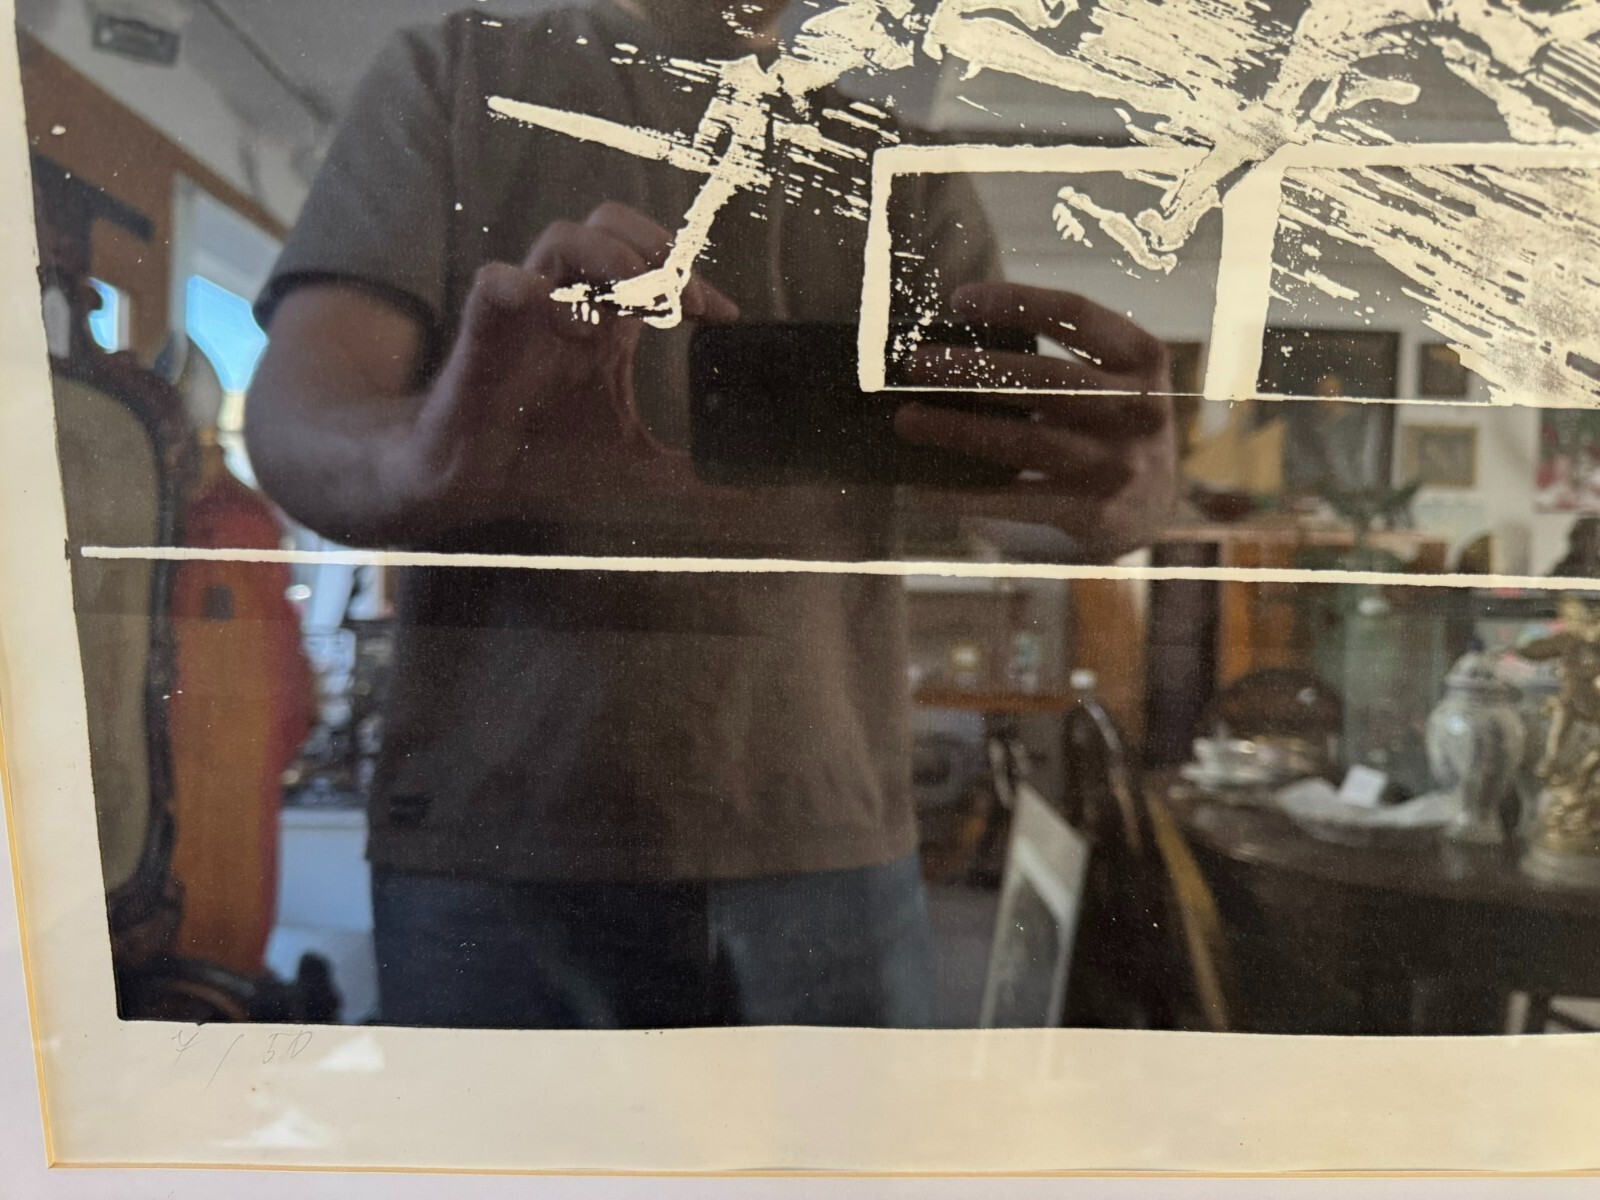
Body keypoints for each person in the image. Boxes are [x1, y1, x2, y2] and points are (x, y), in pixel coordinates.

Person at [244, 0, 1175, 1029]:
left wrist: (1114, 498)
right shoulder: (456, 73)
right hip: (550, 835)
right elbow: (296, 420)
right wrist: (438, 458)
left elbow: (994, 487)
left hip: (761, 831)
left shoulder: (902, 165)